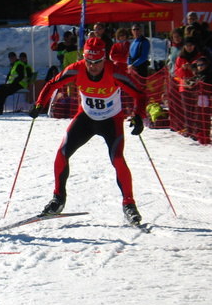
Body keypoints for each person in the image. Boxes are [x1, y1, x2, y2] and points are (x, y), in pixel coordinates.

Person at [29, 37, 147, 226]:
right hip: (86, 118)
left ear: (104, 59)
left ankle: (129, 204)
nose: (92, 66)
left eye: (97, 62)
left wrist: (139, 116)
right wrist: (39, 104)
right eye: (89, 61)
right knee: (61, 153)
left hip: (111, 121)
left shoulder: (115, 72)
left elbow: (139, 94)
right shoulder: (76, 69)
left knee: (117, 159)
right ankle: (58, 199)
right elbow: (52, 84)